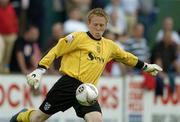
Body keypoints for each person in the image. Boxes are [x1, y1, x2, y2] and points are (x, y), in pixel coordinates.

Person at [10, 8, 162, 122]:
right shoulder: (78, 37)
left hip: (88, 90)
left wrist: (146, 66)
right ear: (89, 23)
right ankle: (22, 116)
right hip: (68, 85)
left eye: (102, 25)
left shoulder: (109, 46)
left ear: (106, 25)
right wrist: (40, 69)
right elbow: (56, 50)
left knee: (96, 120)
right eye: (95, 24)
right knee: (38, 118)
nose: (98, 28)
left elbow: (126, 57)